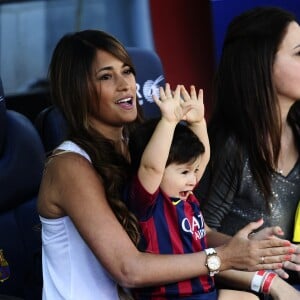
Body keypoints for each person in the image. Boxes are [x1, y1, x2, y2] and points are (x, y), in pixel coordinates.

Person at [37, 29, 299, 300]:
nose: (125, 84)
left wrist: (251, 250)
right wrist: (223, 257)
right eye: (106, 76)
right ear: (77, 90)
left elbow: (191, 230)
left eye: (127, 71)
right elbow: (129, 269)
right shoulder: (69, 165)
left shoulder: (140, 147)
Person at [194, 6, 300, 288]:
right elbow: (194, 232)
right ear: (262, 64)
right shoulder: (231, 145)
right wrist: (253, 253)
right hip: (246, 287)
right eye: (299, 53)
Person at [127, 83, 259, 299]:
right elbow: (152, 167)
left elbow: (202, 159)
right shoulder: (149, 202)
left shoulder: (184, 195)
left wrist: (197, 122)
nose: (193, 179)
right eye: (184, 171)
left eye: (194, 171)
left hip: (205, 292)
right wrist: (168, 122)